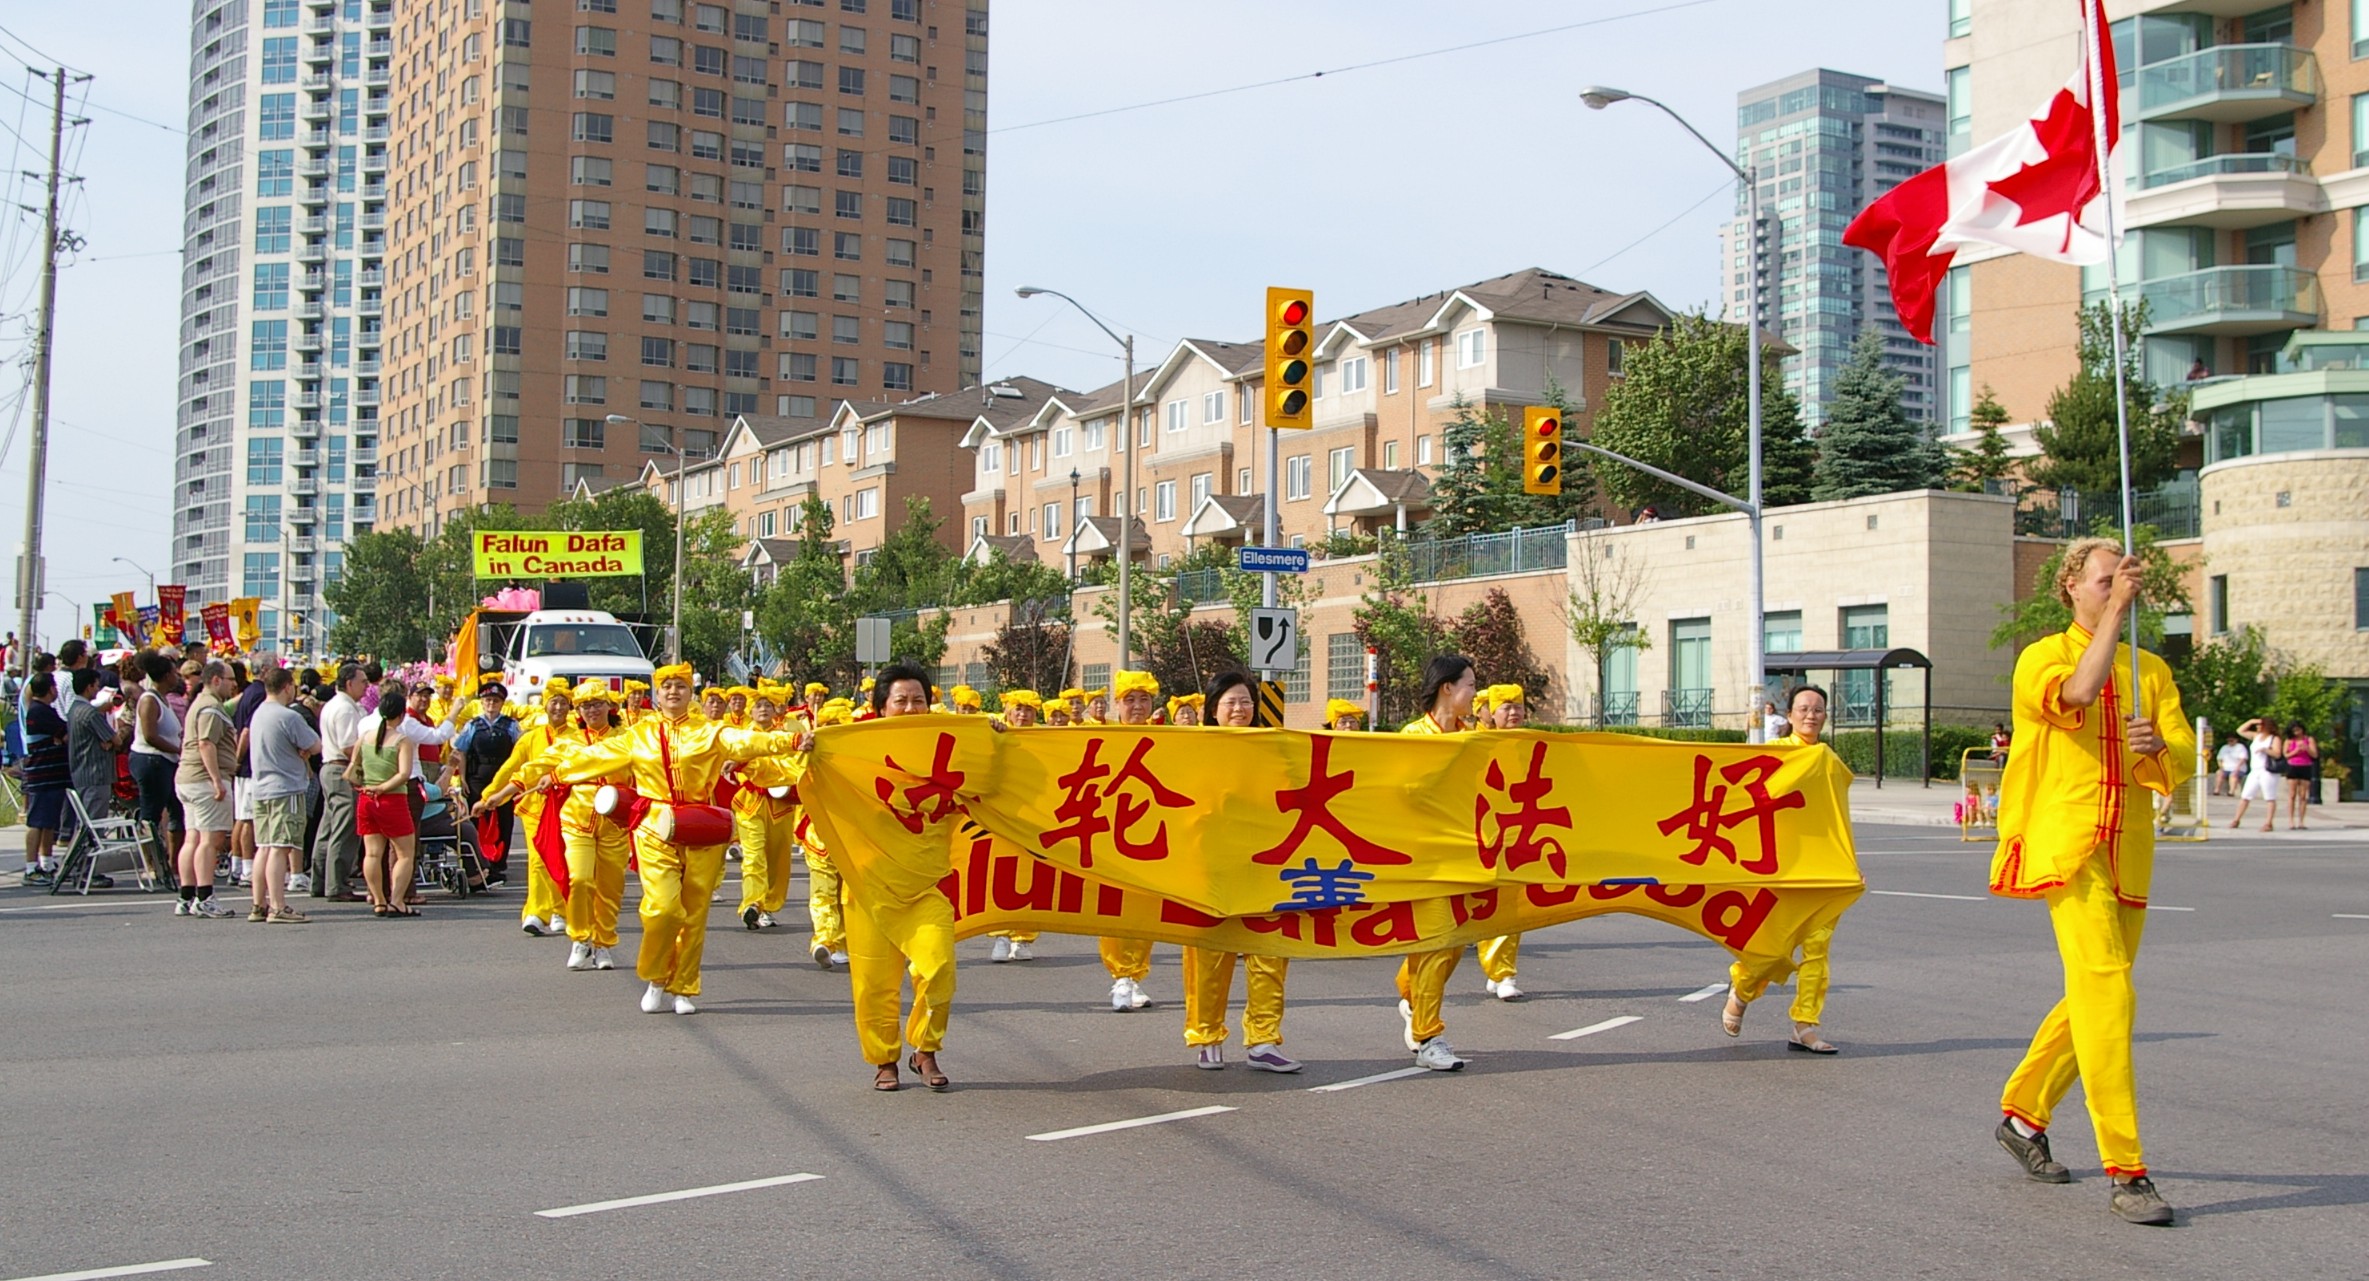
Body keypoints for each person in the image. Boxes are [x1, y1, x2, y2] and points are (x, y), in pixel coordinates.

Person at [1989, 538, 2194, 1226]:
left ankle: (2021, 1114)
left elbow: (2181, 753)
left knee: (2096, 993)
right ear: (2069, 585)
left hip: (2128, 851)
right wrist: (2116, 617)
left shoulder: (2152, 670)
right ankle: (2127, 1169)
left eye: (2121, 582)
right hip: (2067, 846)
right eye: (2103, 582)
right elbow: (2076, 691)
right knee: (2108, 987)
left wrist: (2158, 749)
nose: (2114, 591)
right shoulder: (2040, 657)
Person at [547, 663, 808, 1015]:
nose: (673, 692)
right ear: (657, 694)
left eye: (680, 686)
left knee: (695, 913)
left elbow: (747, 741)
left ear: (691, 694)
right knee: (663, 909)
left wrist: (790, 740)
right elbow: (594, 757)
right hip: (655, 827)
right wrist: (556, 773)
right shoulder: (638, 735)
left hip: (702, 827)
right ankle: (656, 977)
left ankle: (683, 986)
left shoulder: (712, 733)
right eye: (666, 686)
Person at [842, 664, 958, 1090]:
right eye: (901, 701)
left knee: (939, 966)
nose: (911, 708)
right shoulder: (852, 751)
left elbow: (1003, 769)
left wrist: (999, 735)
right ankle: (883, 1059)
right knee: (874, 985)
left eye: (919, 700)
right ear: (880, 708)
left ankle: (925, 1050)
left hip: (926, 885)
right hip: (868, 885)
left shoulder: (954, 748)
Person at [1182, 671, 1300, 1073]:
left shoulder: (1272, 747)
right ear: (1213, 710)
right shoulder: (1191, 750)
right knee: (1209, 956)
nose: (1239, 709)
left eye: (1246, 701)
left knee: (1269, 951)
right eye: (1230, 702)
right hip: (1210, 868)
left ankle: (1264, 1039)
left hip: (1264, 866)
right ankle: (1207, 1035)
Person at [1723, 684, 1844, 1053]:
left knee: (1817, 948)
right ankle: (1741, 991)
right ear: (1789, 715)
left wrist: (1849, 864)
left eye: (1818, 709)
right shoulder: (1774, 755)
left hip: (1822, 868)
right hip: (1778, 867)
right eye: (1804, 708)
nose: (1811, 715)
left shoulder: (1829, 761)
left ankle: (1804, 1025)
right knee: (1770, 947)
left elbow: (1838, 821)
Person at [1395, 654, 1478, 1071]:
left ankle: (1411, 996)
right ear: (1447, 687)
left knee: (1456, 943)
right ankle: (1429, 1037)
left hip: (1465, 858)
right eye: (1469, 685)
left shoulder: (1475, 738)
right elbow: (1405, 793)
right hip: (1424, 862)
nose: (1474, 693)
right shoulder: (1413, 736)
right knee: (1434, 941)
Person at [470, 685, 576, 938]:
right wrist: (489, 796)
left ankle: (562, 911)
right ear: (545, 705)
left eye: (563, 702)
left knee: (565, 860)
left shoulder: (577, 737)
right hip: (536, 809)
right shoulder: (530, 738)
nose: (559, 708)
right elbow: (511, 769)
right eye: (554, 702)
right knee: (539, 859)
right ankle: (537, 913)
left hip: (570, 809)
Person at [1097, 670, 1164, 1013]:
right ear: (1117, 705)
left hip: (1153, 838)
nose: (1137, 706)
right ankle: (1120, 976)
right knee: (1115, 910)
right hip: (1110, 837)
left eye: (1144, 699)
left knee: (1145, 912)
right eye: (1130, 700)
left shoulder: (1170, 740)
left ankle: (1134, 976)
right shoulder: (1102, 738)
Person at [245, 666, 319, 923]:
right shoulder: (288, 716)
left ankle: (258, 903)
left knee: (263, 846)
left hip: (261, 787)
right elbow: (315, 744)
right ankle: (277, 906)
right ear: (287, 686)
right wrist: (305, 752)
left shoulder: (259, 713)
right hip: (285, 787)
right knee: (281, 846)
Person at [731, 684, 804, 931]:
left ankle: (769, 906)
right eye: (758, 706)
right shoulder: (741, 737)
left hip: (780, 805)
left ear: (776, 711)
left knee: (778, 858)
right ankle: (752, 904)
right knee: (753, 857)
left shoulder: (785, 737)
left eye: (767, 706)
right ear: (750, 712)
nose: (763, 709)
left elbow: (794, 768)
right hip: (750, 803)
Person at [1475, 684, 1531, 1003]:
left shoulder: (1534, 743)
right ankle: (1495, 968)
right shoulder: (1477, 744)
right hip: (1481, 836)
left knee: (1511, 906)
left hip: (1520, 835)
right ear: (1491, 714)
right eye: (1506, 707)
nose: (1513, 713)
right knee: (1485, 905)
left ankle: (1504, 972)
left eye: (1518, 706)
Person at [347, 679, 422, 917]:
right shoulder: (402, 740)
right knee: (405, 853)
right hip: (392, 800)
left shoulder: (365, 737)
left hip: (366, 800)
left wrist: (370, 787)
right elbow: (404, 774)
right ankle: (397, 900)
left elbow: (352, 770)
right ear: (401, 715)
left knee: (372, 853)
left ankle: (378, 900)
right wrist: (382, 787)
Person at [173, 660, 242, 918]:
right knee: (210, 840)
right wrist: (216, 780)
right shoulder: (211, 707)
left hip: (188, 778)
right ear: (215, 680)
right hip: (204, 780)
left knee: (192, 838)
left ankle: (186, 895)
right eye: (230, 679)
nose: (233, 684)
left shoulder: (200, 704)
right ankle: (205, 896)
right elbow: (206, 743)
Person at [798, 696, 854, 969]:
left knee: (850, 894)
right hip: (819, 835)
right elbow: (778, 770)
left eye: (837, 726)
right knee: (823, 893)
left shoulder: (860, 758)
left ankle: (845, 942)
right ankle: (825, 939)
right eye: (827, 726)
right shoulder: (806, 755)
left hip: (854, 836)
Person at [63, 668, 128, 888]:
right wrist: (110, 742)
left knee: (85, 825)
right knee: (92, 827)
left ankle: (77, 869)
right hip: (95, 774)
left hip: (82, 772)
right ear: (90, 686)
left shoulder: (75, 709)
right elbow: (116, 739)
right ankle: (82, 871)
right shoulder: (90, 714)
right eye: (96, 685)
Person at [311, 664, 370, 901]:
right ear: (349, 683)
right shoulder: (345, 709)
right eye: (363, 681)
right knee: (344, 829)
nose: (366, 686)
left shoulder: (334, 705)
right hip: (341, 769)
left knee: (328, 827)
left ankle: (320, 881)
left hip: (331, 769)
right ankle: (337, 884)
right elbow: (348, 747)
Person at [452, 683, 520, 885]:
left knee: (504, 819)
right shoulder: (472, 725)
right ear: (482, 703)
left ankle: (499, 862)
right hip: (477, 777)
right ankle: (481, 863)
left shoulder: (511, 725)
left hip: (503, 777)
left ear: (502, 704)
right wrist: (462, 778)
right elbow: (462, 751)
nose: (491, 704)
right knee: (478, 819)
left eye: (496, 701)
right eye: (488, 700)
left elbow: (519, 752)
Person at [128, 651, 186, 886]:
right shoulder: (149, 700)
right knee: (150, 814)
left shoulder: (163, 699)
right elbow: (150, 734)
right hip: (151, 761)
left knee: (176, 810)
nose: (177, 676)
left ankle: (172, 863)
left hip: (166, 761)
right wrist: (176, 748)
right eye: (173, 673)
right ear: (164, 676)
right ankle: (151, 865)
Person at [17, 673, 70, 886]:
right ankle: (31, 868)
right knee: (36, 822)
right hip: (42, 775)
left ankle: (46, 863)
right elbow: (64, 732)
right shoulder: (40, 712)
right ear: (50, 689)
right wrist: (59, 738)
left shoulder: (45, 711)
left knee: (49, 823)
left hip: (52, 776)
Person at [2230, 717, 2281, 832]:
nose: (2258, 727)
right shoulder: (2256, 736)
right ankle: (2236, 819)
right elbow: (2240, 731)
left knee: (2269, 797)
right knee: (2245, 795)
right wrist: (2251, 721)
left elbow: (2277, 754)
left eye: (2261, 725)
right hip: (2254, 770)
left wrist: (2265, 750)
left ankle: (2268, 822)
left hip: (2267, 770)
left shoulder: (2274, 738)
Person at [2280, 721, 2317, 829]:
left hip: (2305, 766)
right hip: (2293, 766)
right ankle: (2291, 821)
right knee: (2292, 795)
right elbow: (2285, 755)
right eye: (2294, 731)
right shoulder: (2289, 741)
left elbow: (2314, 755)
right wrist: (2296, 751)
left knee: (2303, 796)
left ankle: (2301, 821)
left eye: (2298, 730)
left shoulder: (2309, 740)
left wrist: (2307, 748)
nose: (2297, 733)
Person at [2212, 733, 2246, 798]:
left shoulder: (2240, 747)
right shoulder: (2224, 747)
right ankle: (2216, 790)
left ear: (2236, 740)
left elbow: (2243, 759)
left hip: (2238, 768)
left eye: (2232, 740)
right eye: (2229, 741)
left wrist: (2237, 768)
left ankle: (2231, 791)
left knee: (2233, 775)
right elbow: (2219, 759)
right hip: (2226, 768)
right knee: (2219, 773)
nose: (2230, 742)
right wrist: (2221, 767)